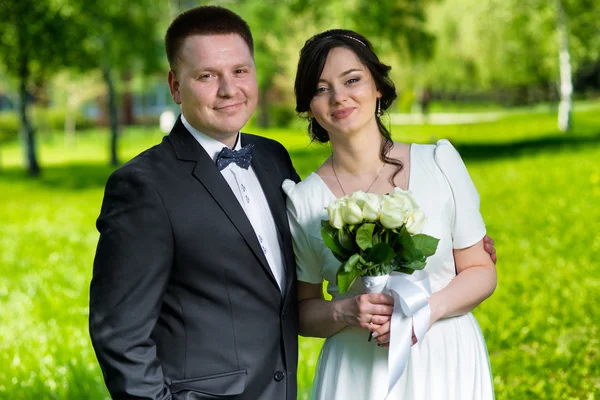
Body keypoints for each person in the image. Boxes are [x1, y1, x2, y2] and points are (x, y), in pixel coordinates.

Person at [89, 6, 300, 400]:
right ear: (174, 86)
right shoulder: (141, 186)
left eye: (240, 71)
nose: (229, 89)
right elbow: (120, 336)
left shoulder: (274, 159)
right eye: (207, 76)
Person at [282, 29, 497, 399]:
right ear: (309, 107)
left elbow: (481, 271)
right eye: (321, 89)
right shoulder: (303, 200)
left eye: (352, 80)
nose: (339, 97)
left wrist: (425, 312)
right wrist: (346, 312)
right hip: (357, 372)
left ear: (377, 87)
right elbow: (302, 311)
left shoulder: (440, 163)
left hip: (445, 358)